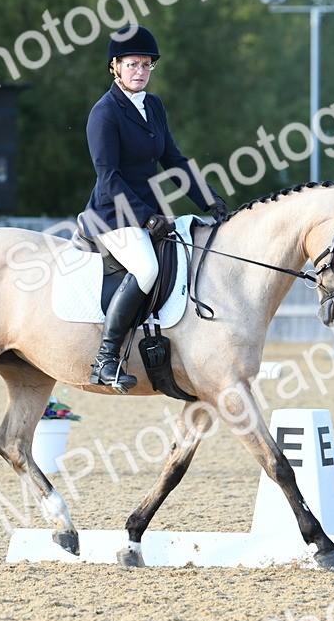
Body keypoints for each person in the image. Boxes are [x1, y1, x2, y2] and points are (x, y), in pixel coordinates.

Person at [79, 25, 229, 392]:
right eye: (133, 64)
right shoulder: (105, 113)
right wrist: (145, 216)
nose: (141, 72)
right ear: (115, 66)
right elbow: (108, 177)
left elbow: (173, 161)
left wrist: (210, 200)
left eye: (147, 65)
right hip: (113, 214)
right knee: (146, 267)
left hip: (149, 212)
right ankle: (106, 360)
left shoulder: (154, 106)